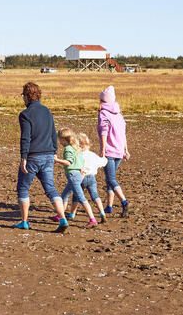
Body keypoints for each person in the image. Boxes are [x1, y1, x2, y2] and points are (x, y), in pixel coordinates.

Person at [15, 82, 69, 233]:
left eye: (23, 96)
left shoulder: (25, 114)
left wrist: (23, 157)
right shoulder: (47, 111)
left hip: (33, 156)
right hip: (48, 156)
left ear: (26, 96)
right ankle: (63, 219)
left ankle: (24, 221)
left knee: (23, 188)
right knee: (51, 189)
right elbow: (53, 133)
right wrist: (54, 152)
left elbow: (25, 137)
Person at [97, 85, 131, 216]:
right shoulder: (119, 115)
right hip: (118, 151)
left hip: (110, 151)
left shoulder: (103, 113)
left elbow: (104, 132)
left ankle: (124, 202)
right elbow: (123, 134)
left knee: (111, 179)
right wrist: (125, 150)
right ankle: (109, 206)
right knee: (110, 178)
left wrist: (103, 149)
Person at [54, 129, 98, 228]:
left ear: (63, 139)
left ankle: (92, 219)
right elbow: (81, 161)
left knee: (81, 198)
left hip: (73, 176)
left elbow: (68, 162)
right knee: (64, 195)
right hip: (77, 175)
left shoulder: (68, 149)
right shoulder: (76, 147)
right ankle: (60, 215)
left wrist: (57, 160)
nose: (59, 142)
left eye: (60, 140)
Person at [61, 132, 108, 224]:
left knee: (77, 195)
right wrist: (104, 156)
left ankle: (72, 214)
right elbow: (103, 162)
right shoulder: (93, 155)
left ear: (80, 145)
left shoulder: (79, 154)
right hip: (92, 178)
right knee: (95, 196)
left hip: (81, 177)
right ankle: (102, 213)